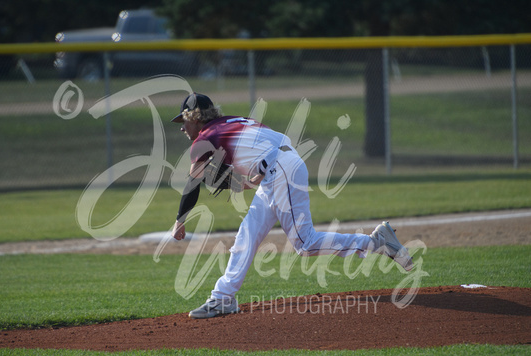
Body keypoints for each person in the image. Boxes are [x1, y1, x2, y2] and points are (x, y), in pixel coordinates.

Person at [171, 92, 413, 319]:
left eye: (184, 120)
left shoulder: (205, 138)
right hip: (276, 168)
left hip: (280, 169)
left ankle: (375, 242)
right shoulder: (231, 121)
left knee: (305, 244)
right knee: (247, 235)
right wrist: (251, 176)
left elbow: (193, 183)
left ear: (195, 117)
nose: (182, 127)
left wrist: (180, 220)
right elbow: (260, 148)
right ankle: (223, 297)